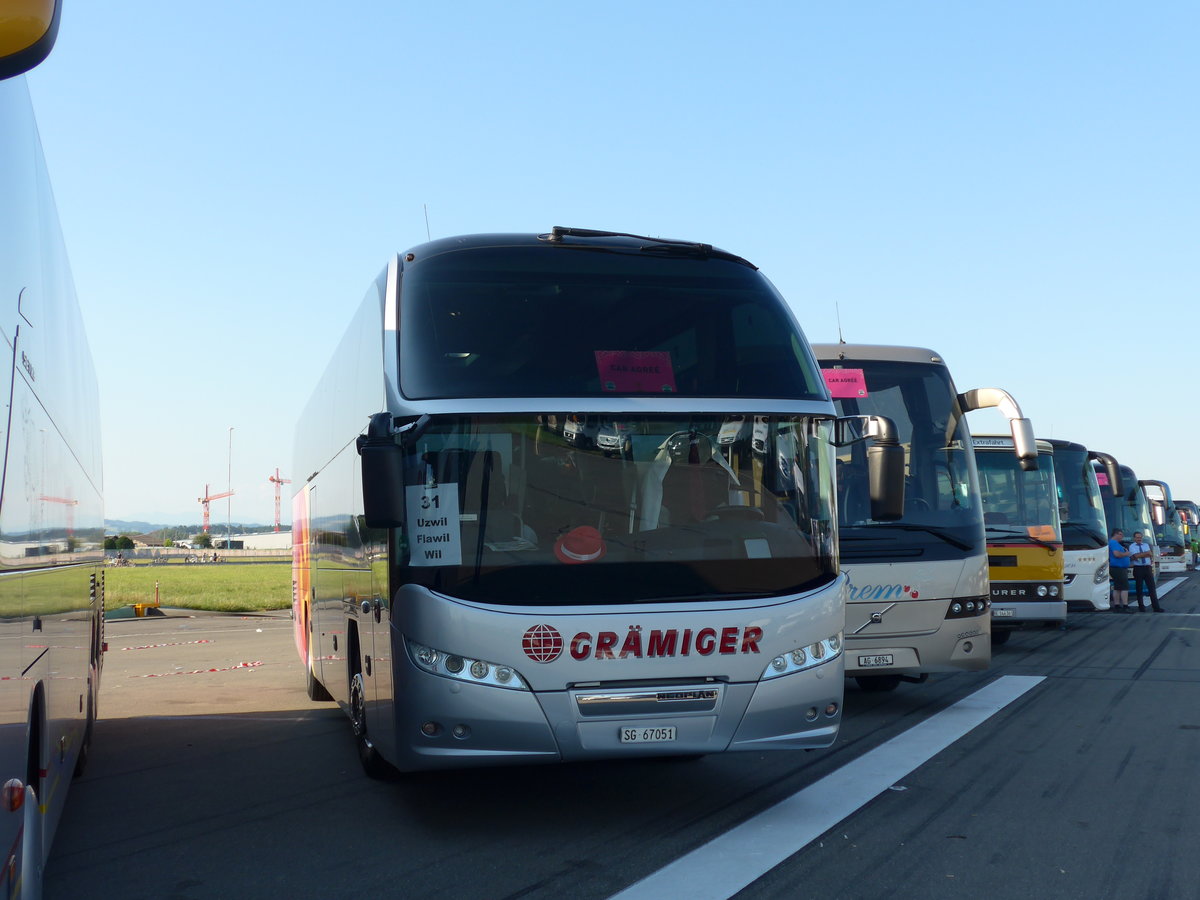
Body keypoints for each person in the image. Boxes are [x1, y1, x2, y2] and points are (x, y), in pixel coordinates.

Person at [1128, 531, 1163, 612]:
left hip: (1147, 568)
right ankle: (1141, 607)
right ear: (1134, 538)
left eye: (1140, 537)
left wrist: (1141, 554)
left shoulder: (1146, 545)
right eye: (1137, 537)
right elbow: (1134, 556)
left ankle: (1156, 607)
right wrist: (1145, 554)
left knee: (1152, 588)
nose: (1139, 539)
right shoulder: (1132, 546)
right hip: (1138, 568)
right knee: (1139, 588)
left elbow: (1150, 554)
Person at [1108, 528, 1132, 612]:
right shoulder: (1114, 543)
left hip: (1117, 568)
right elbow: (1116, 554)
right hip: (1118, 568)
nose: (1122, 537)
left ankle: (1117, 605)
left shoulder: (1114, 543)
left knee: (1117, 587)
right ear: (1116, 534)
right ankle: (1125, 605)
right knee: (1124, 587)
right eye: (1121, 534)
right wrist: (1126, 554)